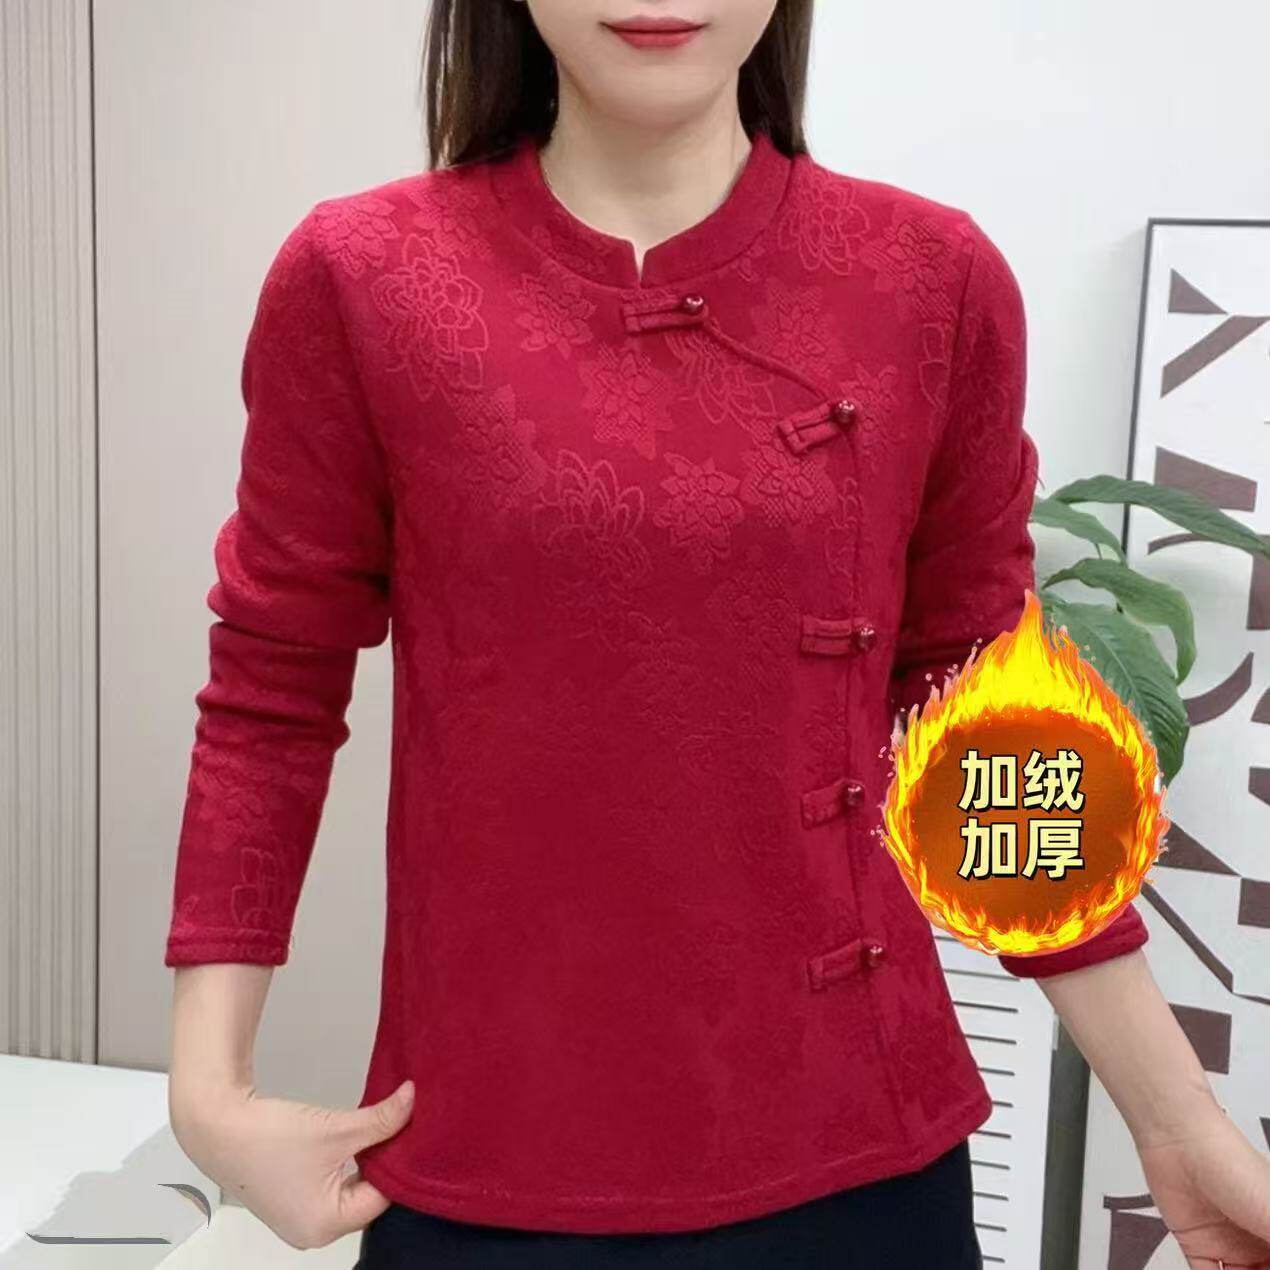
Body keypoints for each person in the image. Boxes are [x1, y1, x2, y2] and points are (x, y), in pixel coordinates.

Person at [164, 2, 1270, 1267]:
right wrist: (209, 1091)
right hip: (488, 1160)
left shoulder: (930, 277)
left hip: (865, 1170)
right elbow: (272, 689)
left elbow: (986, 719)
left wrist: (1176, 1123)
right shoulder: (364, 276)